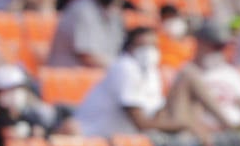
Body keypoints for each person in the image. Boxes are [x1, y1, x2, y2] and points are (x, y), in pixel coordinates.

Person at [69, 26, 214, 138]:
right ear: (129, 48)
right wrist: (185, 125)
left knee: (187, 78)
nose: (148, 51)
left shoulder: (151, 72)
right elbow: (141, 123)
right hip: (93, 138)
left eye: (153, 46)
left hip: (122, 142)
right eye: (142, 46)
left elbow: (157, 114)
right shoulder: (124, 67)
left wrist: (190, 117)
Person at [168, 22, 240, 132]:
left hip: (237, 133)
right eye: (216, 46)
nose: (219, 51)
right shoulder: (185, 73)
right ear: (200, 43)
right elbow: (182, 115)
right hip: (206, 135)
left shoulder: (231, 73)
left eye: (222, 47)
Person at [0, 64, 71, 146]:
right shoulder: (0, 120)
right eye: (8, 90)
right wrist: (31, 133)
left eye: (18, 88)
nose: (15, 93)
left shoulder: (29, 116)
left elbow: (42, 135)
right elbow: (12, 141)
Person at [47, 0, 126, 68]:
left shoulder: (113, 12)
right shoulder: (81, 9)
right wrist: (119, 67)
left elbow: (118, 48)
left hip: (97, 73)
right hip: (70, 74)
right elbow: (87, 56)